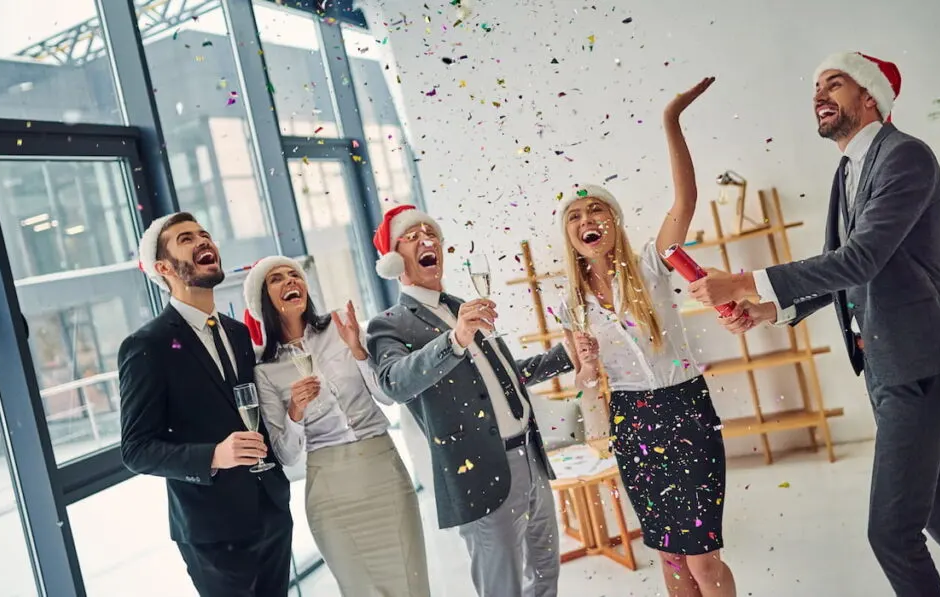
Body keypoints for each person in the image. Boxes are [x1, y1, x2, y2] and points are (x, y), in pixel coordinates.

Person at [688, 52, 940, 597]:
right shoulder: (849, 170)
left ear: (869, 96)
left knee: (891, 533)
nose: (819, 93)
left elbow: (862, 259)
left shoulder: (906, 156)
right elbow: (842, 266)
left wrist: (742, 282)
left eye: (835, 83)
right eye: (815, 85)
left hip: (919, 362)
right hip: (885, 365)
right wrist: (772, 309)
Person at [556, 78, 736, 597]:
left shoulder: (652, 267)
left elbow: (686, 197)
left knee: (703, 563)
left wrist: (671, 123)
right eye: (575, 216)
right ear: (568, 233)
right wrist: (587, 373)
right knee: (672, 561)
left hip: (685, 410)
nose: (587, 220)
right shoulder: (571, 306)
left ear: (614, 220)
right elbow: (590, 394)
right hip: (632, 423)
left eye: (596, 211)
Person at [363, 205, 593, 597]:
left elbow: (503, 376)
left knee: (544, 576)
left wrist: (564, 357)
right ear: (393, 258)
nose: (427, 240)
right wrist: (454, 340)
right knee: (502, 587)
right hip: (481, 471)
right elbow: (394, 383)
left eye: (430, 233)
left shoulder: (459, 306)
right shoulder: (390, 323)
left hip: (530, 459)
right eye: (414, 236)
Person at [119, 212, 293, 597]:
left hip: (271, 511)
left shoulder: (238, 332)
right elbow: (136, 450)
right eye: (185, 239)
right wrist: (214, 454)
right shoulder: (147, 346)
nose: (202, 241)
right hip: (212, 530)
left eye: (204, 234)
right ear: (163, 268)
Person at [241, 256, 430, 597]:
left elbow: (386, 398)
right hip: (330, 489)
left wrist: (358, 349)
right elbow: (286, 453)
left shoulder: (341, 326)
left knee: (410, 583)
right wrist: (295, 411)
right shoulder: (265, 370)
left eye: (294, 274)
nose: (289, 281)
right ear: (262, 299)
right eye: (277, 279)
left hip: (383, 470)